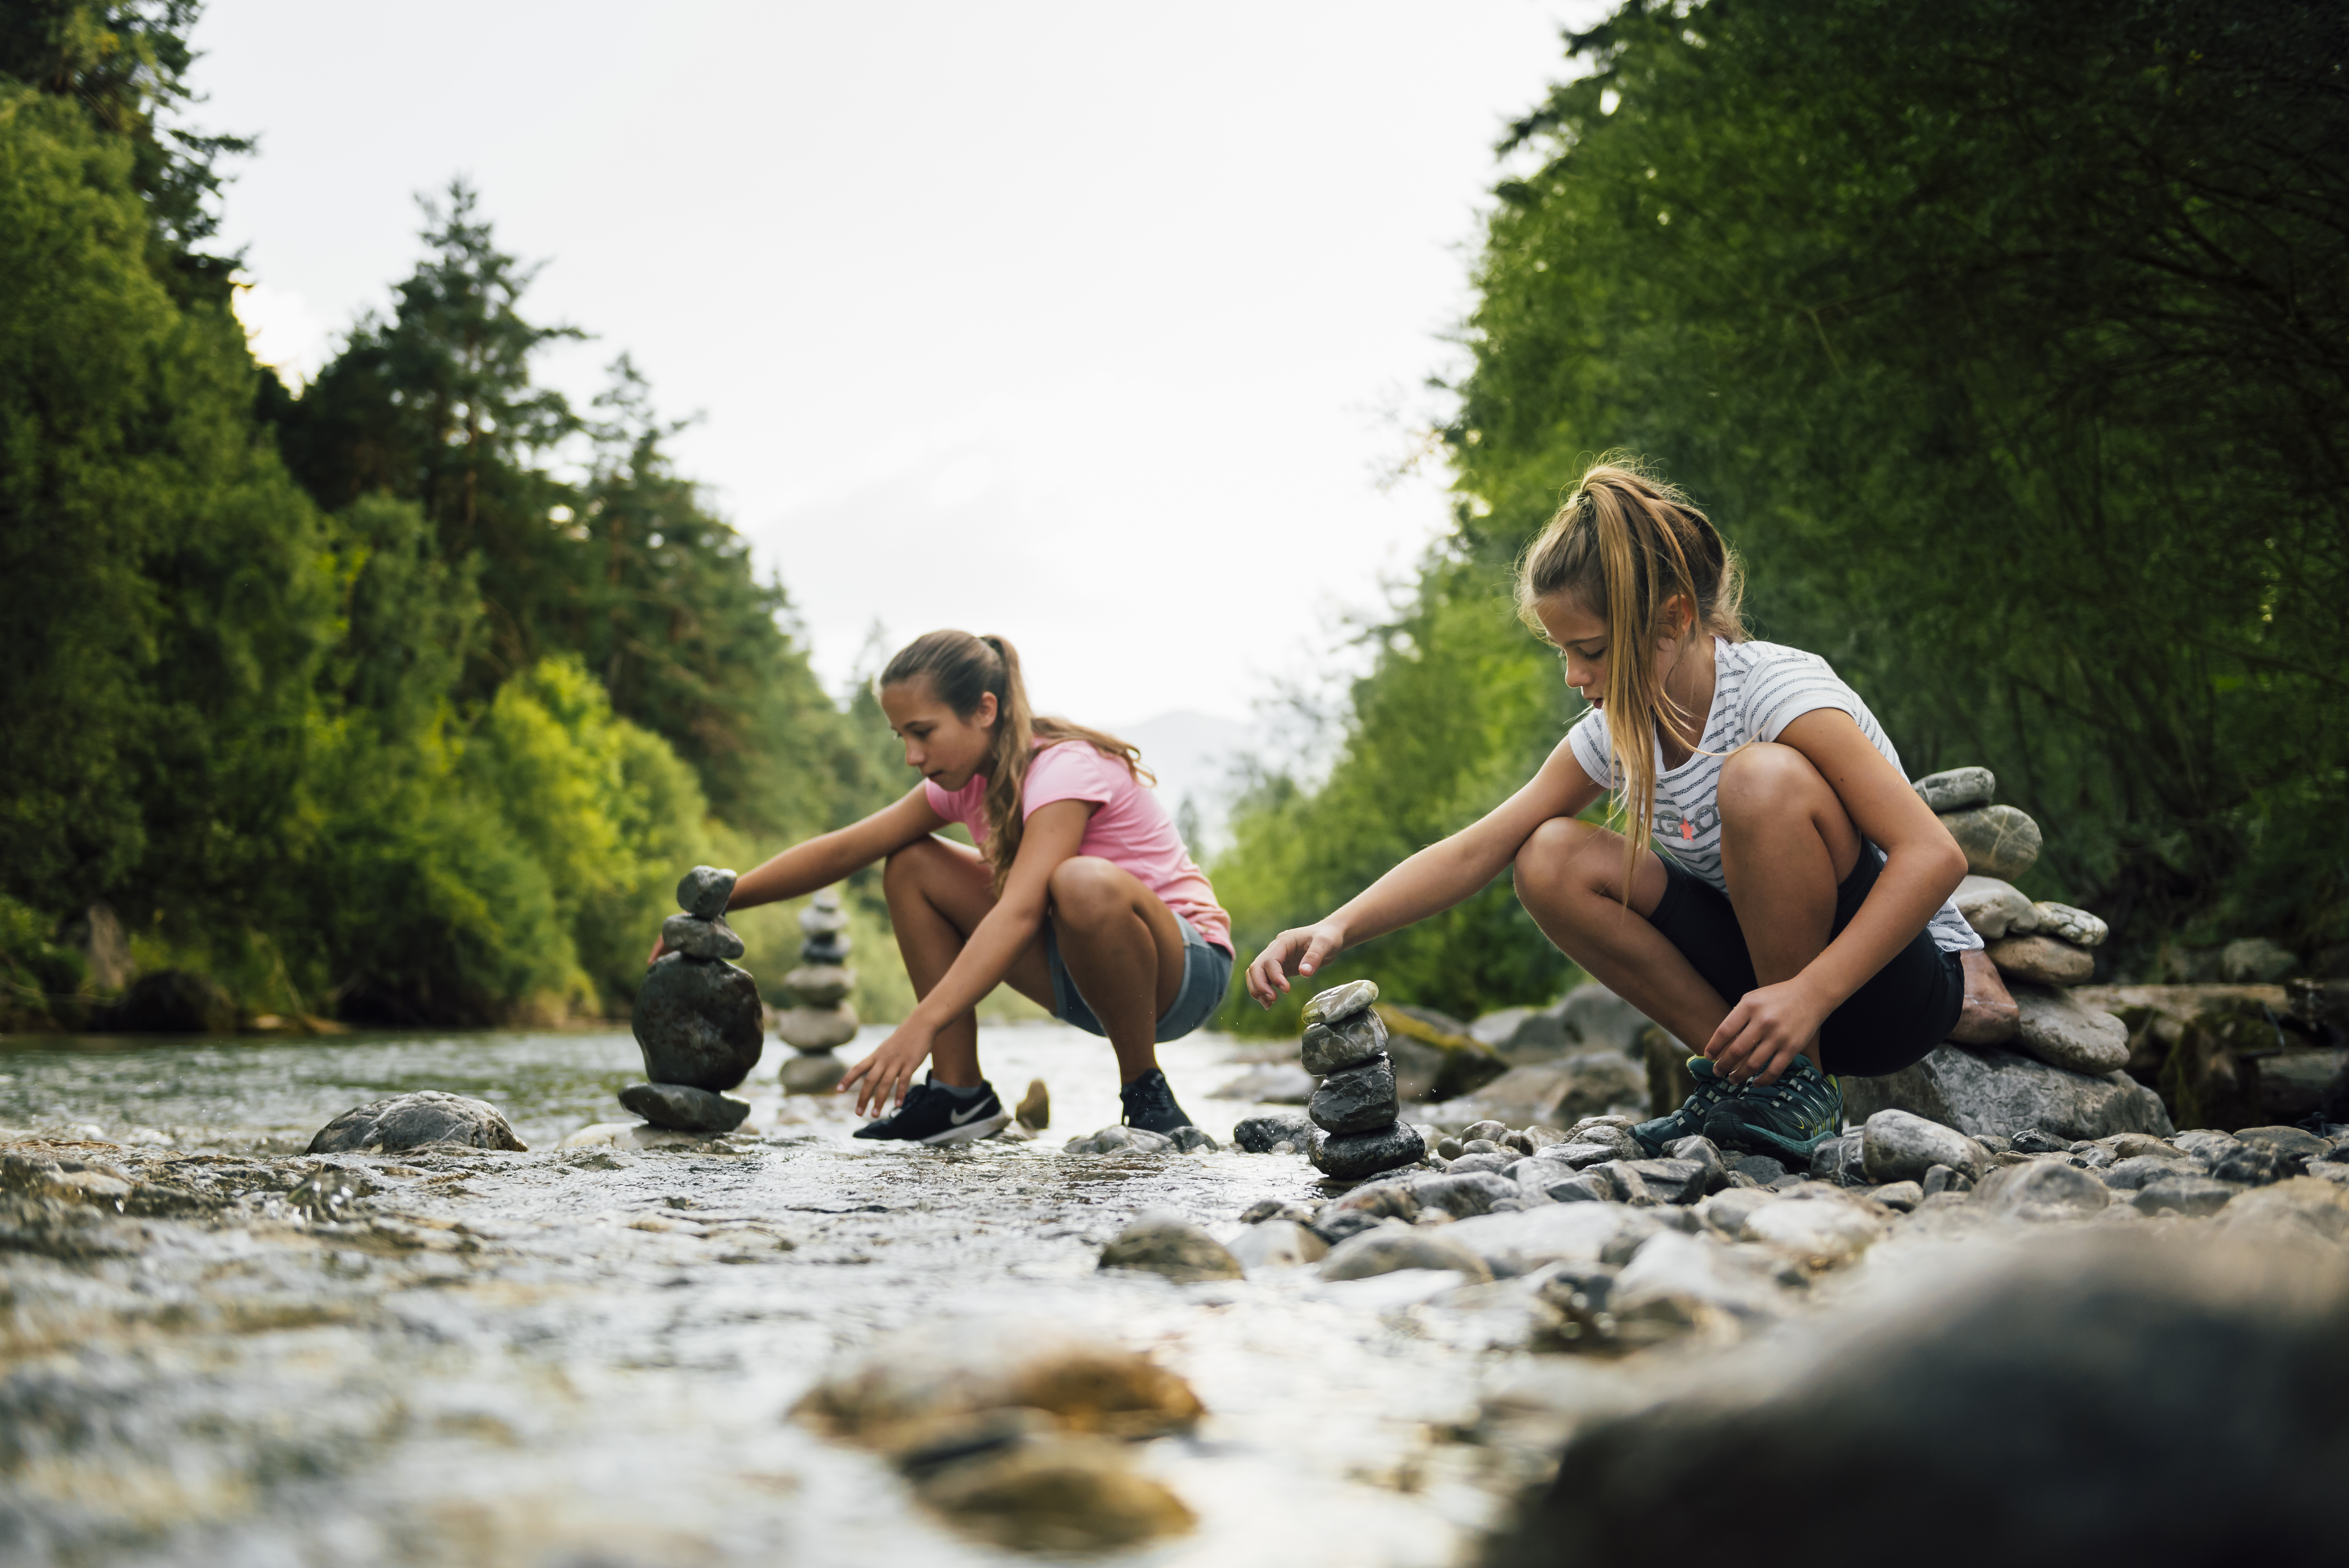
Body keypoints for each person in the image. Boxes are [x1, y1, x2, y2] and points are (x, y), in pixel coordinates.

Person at [1245, 459, 1989, 1162]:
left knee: (1760, 781)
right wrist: (1336, 925)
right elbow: (1482, 846)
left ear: (1670, 619)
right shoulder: (1621, 728)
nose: (1574, 676)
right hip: (1767, 1005)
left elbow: (1936, 855)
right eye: (1562, 652)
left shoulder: (1778, 692)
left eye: (1591, 650)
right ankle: (1762, 1085)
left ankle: (1795, 1089)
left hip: (1886, 986)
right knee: (1547, 855)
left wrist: (1809, 994)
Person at [658, 629, 1232, 1145]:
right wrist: (722, 903)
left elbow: (1021, 911)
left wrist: (920, 1025)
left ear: (985, 710)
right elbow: (845, 848)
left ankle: (1145, 1089)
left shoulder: (1063, 768)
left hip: (1182, 972)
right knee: (909, 861)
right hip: (1081, 975)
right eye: (901, 737)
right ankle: (960, 1096)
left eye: (924, 733)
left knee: (1077, 880)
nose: (913, 756)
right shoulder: (963, 782)